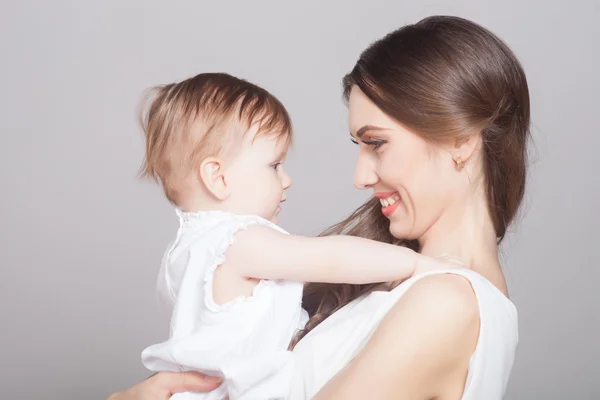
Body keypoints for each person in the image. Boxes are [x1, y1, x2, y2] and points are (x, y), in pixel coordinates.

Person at [109, 14, 529, 400]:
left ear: (461, 141)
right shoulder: (410, 286)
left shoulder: (445, 301)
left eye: (377, 143)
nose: (360, 178)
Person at [138, 73, 460, 400]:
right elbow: (332, 258)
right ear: (217, 177)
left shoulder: (183, 252)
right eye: (274, 165)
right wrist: (415, 263)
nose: (286, 179)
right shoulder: (238, 242)